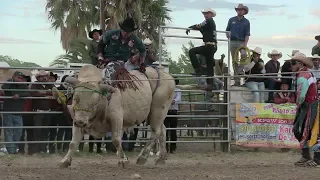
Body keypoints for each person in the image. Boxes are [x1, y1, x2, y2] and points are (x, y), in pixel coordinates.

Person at [290, 52, 320, 167]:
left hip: (309, 105)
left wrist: (298, 106)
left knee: (310, 131)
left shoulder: (302, 76)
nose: (291, 66)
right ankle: (307, 156)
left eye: (293, 63)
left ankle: (316, 159)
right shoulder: (305, 74)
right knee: (301, 130)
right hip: (310, 104)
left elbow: (301, 96)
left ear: (300, 63)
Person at [186, 8, 217, 90]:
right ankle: (210, 84)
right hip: (211, 46)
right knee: (210, 65)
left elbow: (199, 26)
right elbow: (200, 27)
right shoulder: (209, 23)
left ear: (211, 14)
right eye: (205, 13)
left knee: (192, 51)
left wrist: (191, 27)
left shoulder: (209, 21)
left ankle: (198, 70)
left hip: (209, 46)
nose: (205, 15)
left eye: (207, 13)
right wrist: (192, 27)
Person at [1, 71, 30, 154]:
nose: (20, 79)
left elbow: (27, 93)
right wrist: (11, 80)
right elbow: (4, 87)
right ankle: (11, 151)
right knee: (8, 131)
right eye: (18, 77)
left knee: (19, 131)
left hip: (18, 112)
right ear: (14, 77)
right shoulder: (9, 83)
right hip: (8, 111)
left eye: (21, 78)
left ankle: (12, 148)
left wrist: (19, 95)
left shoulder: (23, 86)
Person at [30, 70, 54, 154]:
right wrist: (47, 93)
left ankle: (43, 149)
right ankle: (35, 150)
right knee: (37, 130)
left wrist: (42, 93)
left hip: (48, 110)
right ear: (38, 78)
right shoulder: (35, 84)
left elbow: (55, 93)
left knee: (45, 130)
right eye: (42, 76)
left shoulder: (50, 84)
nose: (44, 78)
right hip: (38, 111)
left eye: (45, 76)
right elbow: (33, 94)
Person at [226, 4, 250, 85]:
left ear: (244, 11)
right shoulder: (231, 20)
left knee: (244, 55)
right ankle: (236, 81)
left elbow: (247, 34)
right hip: (232, 41)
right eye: (238, 9)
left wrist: (245, 44)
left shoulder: (246, 22)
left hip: (241, 42)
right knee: (234, 60)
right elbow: (227, 30)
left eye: (241, 9)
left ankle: (239, 71)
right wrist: (228, 36)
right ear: (236, 10)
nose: (240, 11)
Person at [55, 75, 73, 152]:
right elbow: (57, 101)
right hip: (61, 113)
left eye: (69, 81)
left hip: (70, 113)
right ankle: (59, 147)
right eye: (66, 80)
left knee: (69, 132)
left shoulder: (73, 90)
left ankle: (66, 148)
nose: (68, 82)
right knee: (61, 131)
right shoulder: (58, 89)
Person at [164, 79, 181, 153]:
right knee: (165, 130)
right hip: (166, 112)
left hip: (173, 111)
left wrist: (173, 101)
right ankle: (165, 147)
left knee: (173, 130)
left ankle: (173, 148)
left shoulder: (177, 90)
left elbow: (178, 99)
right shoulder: (166, 90)